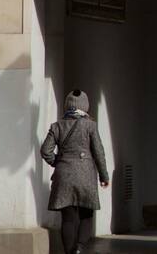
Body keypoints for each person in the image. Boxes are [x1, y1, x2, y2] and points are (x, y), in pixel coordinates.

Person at [40, 90, 109, 254]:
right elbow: (99, 152)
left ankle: (69, 252)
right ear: (85, 106)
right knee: (86, 214)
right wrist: (104, 175)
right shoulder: (90, 125)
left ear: (67, 106)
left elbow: (45, 151)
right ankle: (79, 247)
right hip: (85, 175)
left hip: (63, 175)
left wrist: (58, 162)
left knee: (68, 218)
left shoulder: (57, 126)